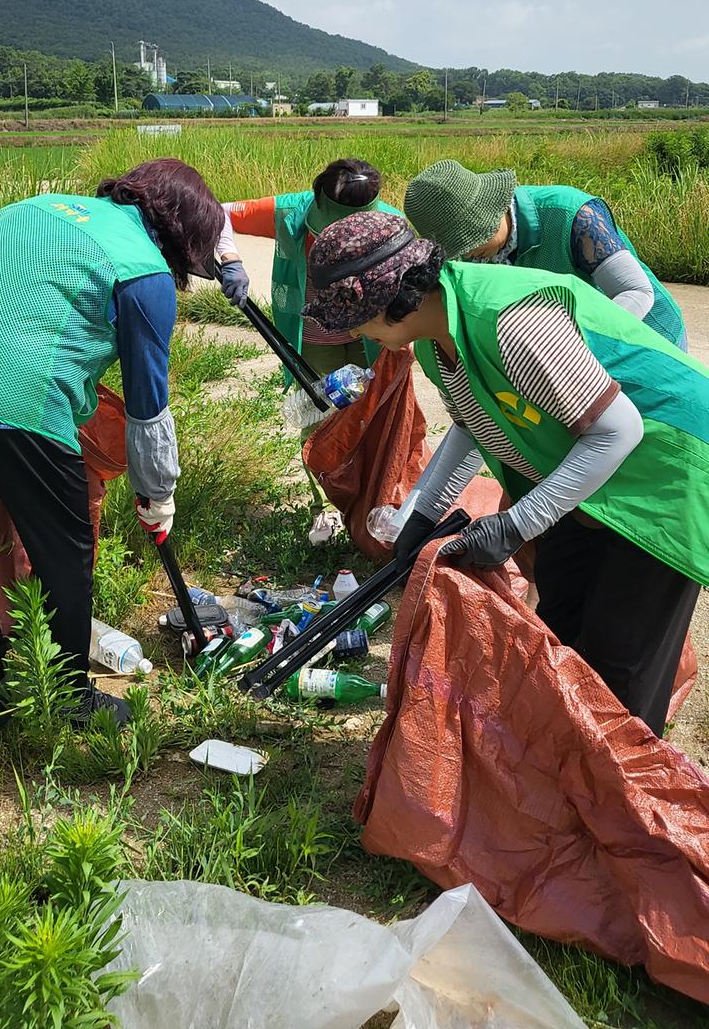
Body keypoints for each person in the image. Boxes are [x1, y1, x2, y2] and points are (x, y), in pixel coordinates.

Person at [303, 211, 709, 737]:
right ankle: (567, 777)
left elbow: (618, 431)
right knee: (558, 636)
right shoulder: (433, 331)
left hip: (666, 470)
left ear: (398, 299)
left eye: (358, 319)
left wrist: (516, 524)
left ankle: (616, 804)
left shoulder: (507, 320)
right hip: (585, 471)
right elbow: (476, 423)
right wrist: (420, 516)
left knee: (618, 668)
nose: (355, 332)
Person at [0, 158, 232, 730]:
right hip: (20, 401)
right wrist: (158, 497)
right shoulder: (145, 271)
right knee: (66, 550)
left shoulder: (34, 208)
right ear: (182, 237)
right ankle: (66, 693)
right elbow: (147, 408)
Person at [225, 158, 400, 540]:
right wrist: (228, 260)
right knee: (319, 427)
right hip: (315, 346)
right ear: (317, 198)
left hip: (374, 343)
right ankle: (326, 509)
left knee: (375, 421)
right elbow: (216, 216)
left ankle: (372, 505)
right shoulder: (290, 212)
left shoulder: (391, 223)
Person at [404, 159, 686, 347]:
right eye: (456, 249)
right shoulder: (473, 253)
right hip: (573, 359)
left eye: (471, 242)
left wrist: (569, 346)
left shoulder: (570, 215)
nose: (469, 255)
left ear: (491, 211)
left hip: (647, 337)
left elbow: (636, 292)